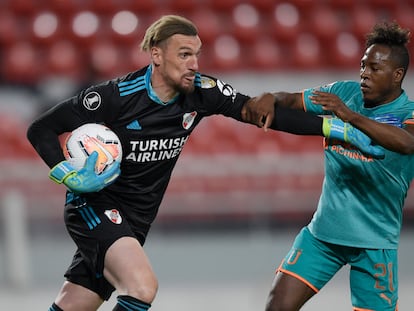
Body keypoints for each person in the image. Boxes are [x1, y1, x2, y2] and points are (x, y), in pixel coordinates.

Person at [27, 15, 381, 311]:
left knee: (74, 304)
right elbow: (41, 129)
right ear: (156, 55)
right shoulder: (116, 96)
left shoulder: (201, 91)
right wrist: (69, 175)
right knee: (142, 287)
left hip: (136, 219)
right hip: (95, 206)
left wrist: (333, 128)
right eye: (184, 54)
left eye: (196, 54)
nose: (194, 64)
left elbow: (258, 113)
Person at [244, 21, 414, 311]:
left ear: (397, 75)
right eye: (363, 65)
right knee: (276, 306)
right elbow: (294, 100)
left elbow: (406, 143)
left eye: (375, 68)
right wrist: (272, 97)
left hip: (374, 243)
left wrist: (349, 117)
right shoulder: (343, 92)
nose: (364, 74)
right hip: (323, 234)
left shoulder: (406, 114)